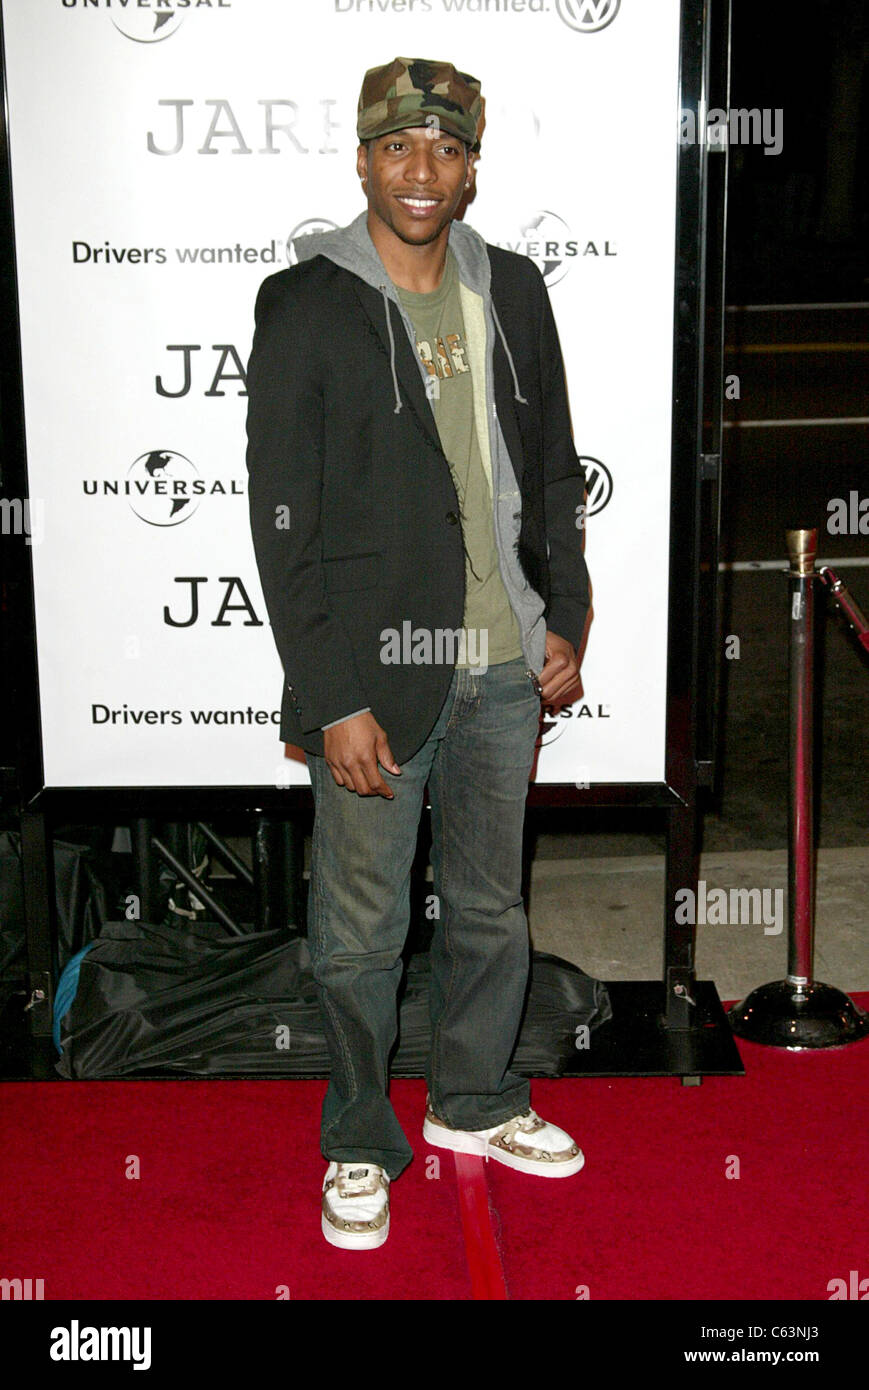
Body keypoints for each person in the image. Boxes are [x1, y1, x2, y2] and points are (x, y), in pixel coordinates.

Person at [246, 56, 592, 1251]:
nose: (420, 171)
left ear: (468, 165)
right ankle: (356, 1138)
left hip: (503, 663)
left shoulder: (517, 291)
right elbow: (279, 521)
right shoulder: (305, 306)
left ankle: (475, 1100)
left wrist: (565, 616)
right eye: (398, 147)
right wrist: (329, 696)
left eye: (444, 149)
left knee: (491, 904)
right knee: (358, 929)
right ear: (360, 158)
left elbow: (550, 472)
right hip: (376, 680)